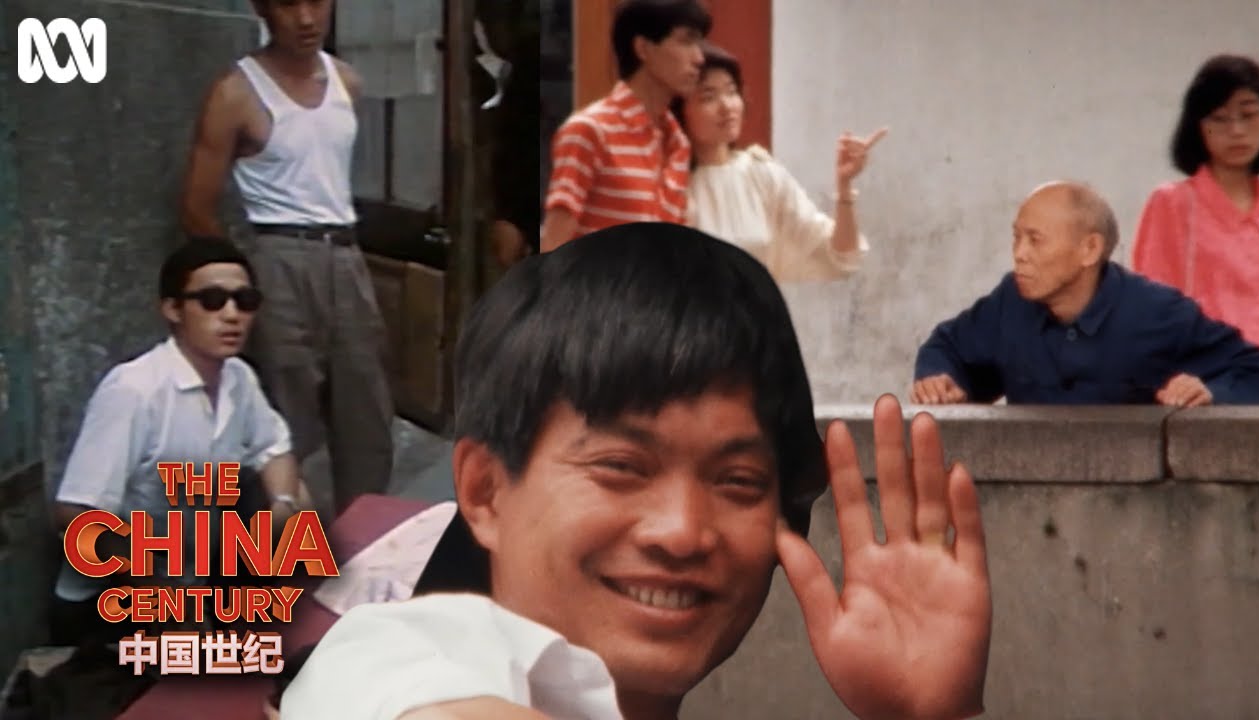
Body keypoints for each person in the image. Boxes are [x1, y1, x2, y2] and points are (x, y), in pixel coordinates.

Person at [280, 223, 993, 720]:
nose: (682, 532)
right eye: (621, 467)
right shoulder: (391, 660)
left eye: (738, 482)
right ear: (485, 490)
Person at [180, 0, 394, 513]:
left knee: (366, 412)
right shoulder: (236, 92)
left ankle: (366, 537)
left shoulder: (347, 82)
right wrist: (245, 280)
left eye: (316, 1)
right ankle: (287, 547)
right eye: (287, 3)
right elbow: (195, 207)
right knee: (286, 413)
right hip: (277, 255)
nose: (305, 19)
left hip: (345, 254)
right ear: (262, 8)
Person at [50, 238, 308, 650]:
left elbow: (274, 448)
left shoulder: (238, 377)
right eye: (211, 301)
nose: (232, 315)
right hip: (113, 598)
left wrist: (283, 507)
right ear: (173, 309)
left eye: (245, 301)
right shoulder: (135, 390)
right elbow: (76, 515)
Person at [911, 181, 1259, 406]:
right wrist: (941, 381)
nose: (1019, 253)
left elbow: (1256, 368)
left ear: (1089, 249)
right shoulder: (1011, 301)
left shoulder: (1156, 312)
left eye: (1035, 240)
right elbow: (950, 346)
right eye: (1016, 237)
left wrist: (1211, 392)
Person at [1131, 54, 1259, 405]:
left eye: (1248, 114)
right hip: (1203, 393)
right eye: (1219, 118)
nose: (1237, 130)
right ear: (1197, 126)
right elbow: (1152, 312)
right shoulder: (1173, 204)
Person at [674, 43, 883, 282]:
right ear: (681, 110)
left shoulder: (761, 174)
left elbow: (840, 255)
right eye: (708, 97)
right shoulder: (671, 183)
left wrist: (844, 186)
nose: (726, 106)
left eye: (731, 92)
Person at [540, 0, 710, 251]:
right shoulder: (591, 130)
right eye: (686, 41)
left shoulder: (678, 144)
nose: (699, 58)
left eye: (699, 43)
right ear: (643, 48)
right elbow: (554, 244)